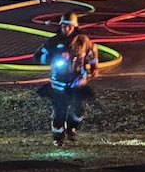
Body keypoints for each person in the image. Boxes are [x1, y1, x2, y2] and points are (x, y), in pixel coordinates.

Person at [35, 12, 99, 146]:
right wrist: (54, 57)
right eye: (64, 26)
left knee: (78, 109)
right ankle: (58, 135)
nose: (67, 29)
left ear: (75, 27)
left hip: (78, 81)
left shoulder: (82, 41)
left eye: (70, 26)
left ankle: (72, 128)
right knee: (60, 110)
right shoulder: (53, 42)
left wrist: (94, 67)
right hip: (59, 82)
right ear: (61, 26)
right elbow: (38, 56)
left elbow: (92, 51)